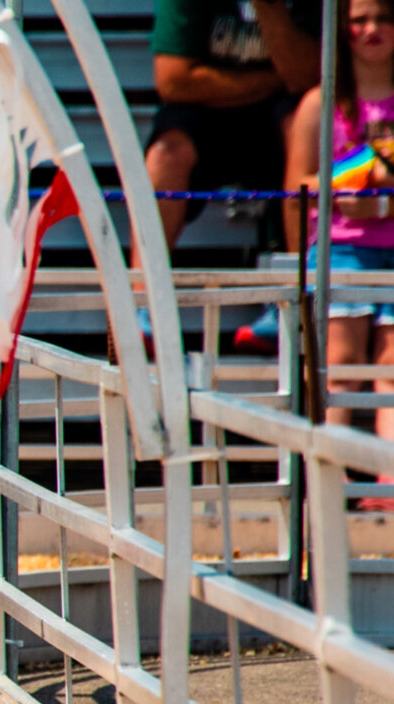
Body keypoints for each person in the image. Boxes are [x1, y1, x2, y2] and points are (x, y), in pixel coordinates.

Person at [134, 0, 321, 350]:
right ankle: (143, 303)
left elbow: (310, 78)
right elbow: (174, 82)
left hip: (277, 119)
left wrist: (269, 10)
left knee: (304, 126)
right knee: (165, 153)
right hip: (204, 119)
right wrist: (276, 79)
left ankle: (298, 296)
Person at [285, 0, 394, 507]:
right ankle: (323, 484)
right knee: (341, 363)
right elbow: (295, 188)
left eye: (386, 17)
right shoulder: (318, 104)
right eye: (360, 19)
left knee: (392, 366)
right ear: (341, 30)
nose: (373, 29)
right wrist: (342, 188)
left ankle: (387, 482)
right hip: (340, 252)